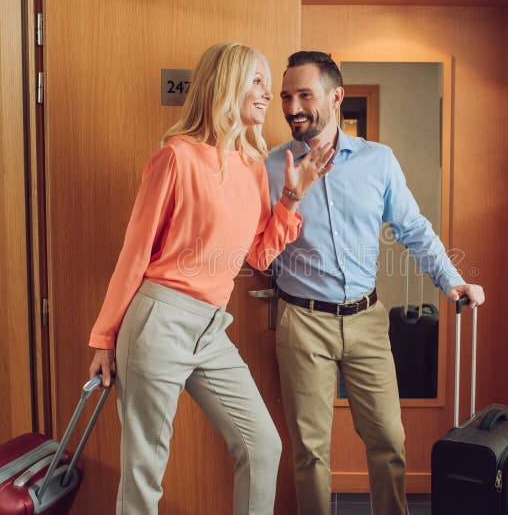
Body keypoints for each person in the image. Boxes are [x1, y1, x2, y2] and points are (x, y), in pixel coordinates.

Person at [87, 42, 334, 515]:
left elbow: (260, 256)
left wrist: (292, 199)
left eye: (268, 84)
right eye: (257, 82)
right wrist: (104, 338)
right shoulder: (176, 158)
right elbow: (134, 252)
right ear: (227, 85)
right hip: (158, 320)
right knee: (145, 472)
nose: (269, 95)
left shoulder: (252, 168)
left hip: (211, 329)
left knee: (263, 445)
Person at [265, 51, 486, 515]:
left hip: (366, 321)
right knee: (310, 450)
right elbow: (257, 248)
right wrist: (289, 196)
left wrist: (451, 280)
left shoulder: (378, 161)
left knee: (389, 440)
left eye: (305, 94)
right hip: (302, 322)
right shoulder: (270, 167)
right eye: (286, 96)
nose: (291, 106)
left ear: (336, 97)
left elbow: (413, 228)